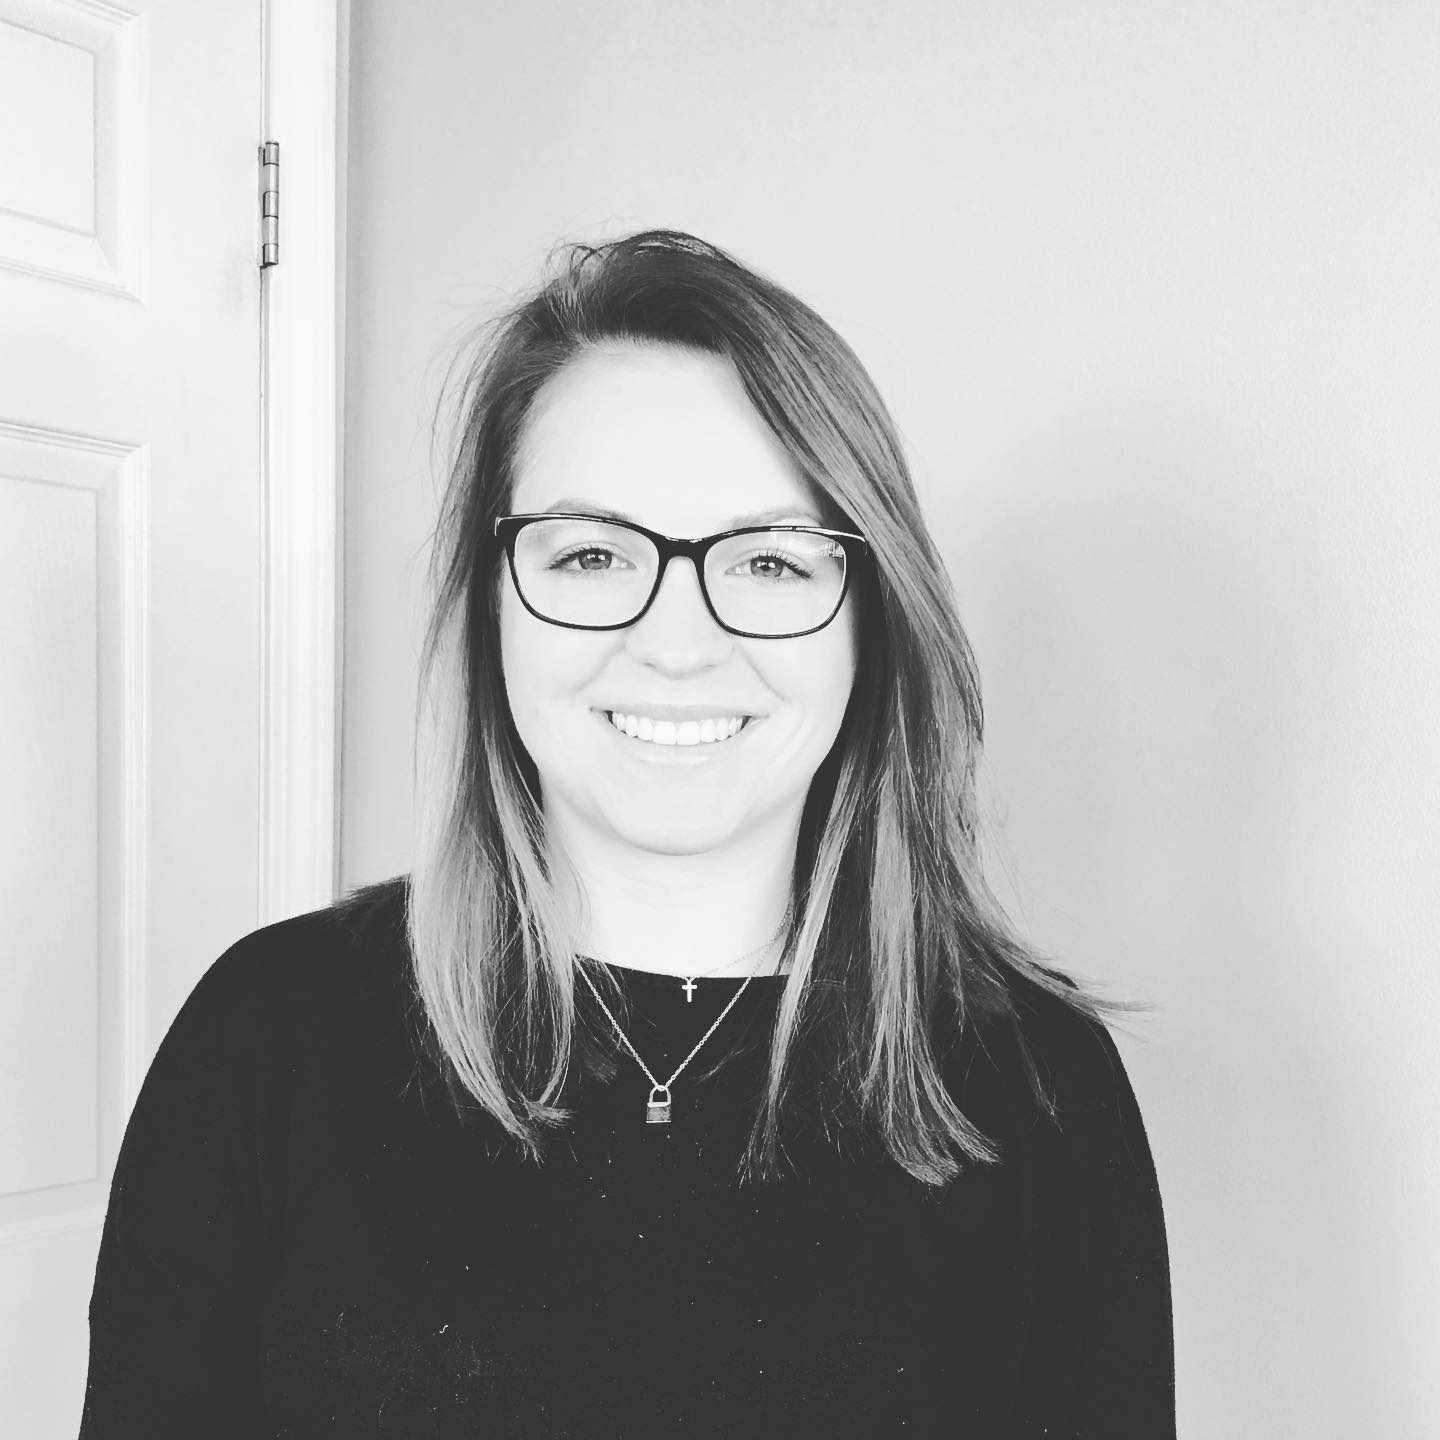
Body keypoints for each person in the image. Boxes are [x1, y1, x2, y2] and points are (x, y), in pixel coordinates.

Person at [80, 230, 1174, 1437]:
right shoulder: (265, 1035)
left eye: (769, 561)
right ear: (492, 603)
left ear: (872, 614)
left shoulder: (1037, 1087)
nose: (678, 642)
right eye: (593, 553)